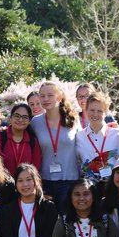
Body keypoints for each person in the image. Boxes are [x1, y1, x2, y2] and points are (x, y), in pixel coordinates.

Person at [30, 81, 79, 209]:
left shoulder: (73, 120)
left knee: (65, 221)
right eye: (42, 96)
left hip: (69, 180)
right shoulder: (36, 122)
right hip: (45, 181)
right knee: (48, 223)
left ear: (59, 97)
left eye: (50, 95)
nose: (45, 99)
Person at [75, 91, 119, 183]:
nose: (95, 114)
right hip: (88, 190)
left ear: (106, 112)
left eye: (100, 111)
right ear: (86, 110)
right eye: (92, 110)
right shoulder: (79, 137)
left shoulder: (118, 135)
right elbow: (77, 164)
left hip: (113, 186)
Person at [0, 102, 41, 177]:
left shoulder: (33, 141)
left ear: (29, 121)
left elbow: (35, 168)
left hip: (25, 185)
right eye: (17, 116)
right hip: (2, 185)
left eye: (25, 117)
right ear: (10, 118)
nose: (20, 120)